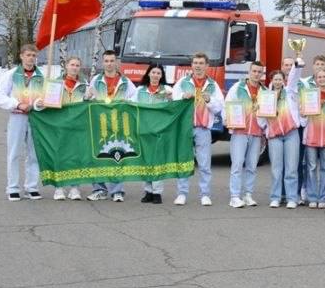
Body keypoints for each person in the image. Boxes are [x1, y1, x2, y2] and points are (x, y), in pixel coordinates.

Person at [172, 52, 225, 206]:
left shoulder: (212, 85)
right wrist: (182, 96)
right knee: (184, 161)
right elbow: (174, 99)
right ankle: (182, 193)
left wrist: (209, 100)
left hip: (203, 129)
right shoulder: (183, 82)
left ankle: (205, 194)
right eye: (195, 63)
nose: (198, 66)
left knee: (204, 163)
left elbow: (219, 107)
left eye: (201, 63)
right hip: (185, 128)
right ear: (192, 65)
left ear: (207, 66)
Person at [86, 50, 137, 202]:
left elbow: (135, 99)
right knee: (97, 156)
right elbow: (88, 99)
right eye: (106, 61)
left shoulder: (126, 82)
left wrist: (127, 103)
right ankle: (99, 189)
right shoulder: (96, 80)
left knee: (117, 155)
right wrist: (87, 96)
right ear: (103, 63)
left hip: (118, 123)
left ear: (116, 62)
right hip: (99, 123)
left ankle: (117, 191)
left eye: (112, 61)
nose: (109, 64)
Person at [0, 44, 44, 202]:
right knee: (14, 153)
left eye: (33, 55)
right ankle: (13, 188)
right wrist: (17, 104)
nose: (31, 58)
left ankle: (31, 187)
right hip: (17, 117)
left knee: (34, 154)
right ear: (21, 56)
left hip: (36, 118)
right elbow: (0, 98)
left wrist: (41, 104)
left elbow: (46, 98)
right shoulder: (11, 75)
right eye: (28, 55)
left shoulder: (42, 76)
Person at [44, 56, 89, 201]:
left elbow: (88, 105)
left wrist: (90, 98)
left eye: (77, 65)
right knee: (59, 156)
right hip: (60, 125)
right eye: (72, 64)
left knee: (76, 157)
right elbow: (48, 105)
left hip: (77, 126)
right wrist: (45, 98)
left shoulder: (84, 85)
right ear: (66, 66)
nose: (74, 67)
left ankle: (75, 187)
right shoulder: (55, 83)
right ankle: (59, 187)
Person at [225, 61, 267, 208]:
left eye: (259, 72)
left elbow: (268, 114)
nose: (256, 74)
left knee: (252, 166)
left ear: (262, 74)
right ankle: (234, 196)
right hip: (240, 131)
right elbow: (227, 105)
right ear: (249, 72)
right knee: (237, 164)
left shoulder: (265, 91)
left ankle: (248, 194)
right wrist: (228, 121)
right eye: (254, 71)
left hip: (256, 132)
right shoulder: (238, 87)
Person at [298, 55, 325, 203]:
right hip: (311, 137)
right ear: (315, 80)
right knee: (311, 167)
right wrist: (303, 113)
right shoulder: (309, 95)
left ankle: (323, 198)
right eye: (319, 77)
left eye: (324, 76)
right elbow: (303, 119)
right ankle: (312, 197)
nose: (322, 79)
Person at [265, 59, 304, 208]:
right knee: (276, 169)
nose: (277, 81)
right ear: (271, 80)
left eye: (280, 79)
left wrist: (297, 63)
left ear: (283, 80)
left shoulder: (290, 91)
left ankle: (292, 198)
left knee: (291, 168)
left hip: (291, 134)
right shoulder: (266, 95)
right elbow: (261, 117)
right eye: (275, 79)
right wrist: (266, 128)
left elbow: (294, 76)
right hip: (274, 136)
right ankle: (275, 197)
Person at [135, 63, 172, 204]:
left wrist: (170, 98)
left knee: (157, 161)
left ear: (161, 76)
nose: (155, 75)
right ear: (148, 74)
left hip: (159, 131)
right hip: (144, 130)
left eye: (158, 73)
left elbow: (174, 107)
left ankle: (157, 192)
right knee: (146, 161)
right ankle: (148, 191)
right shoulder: (140, 90)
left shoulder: (167, 90)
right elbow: (132, 106)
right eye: (153, 72)